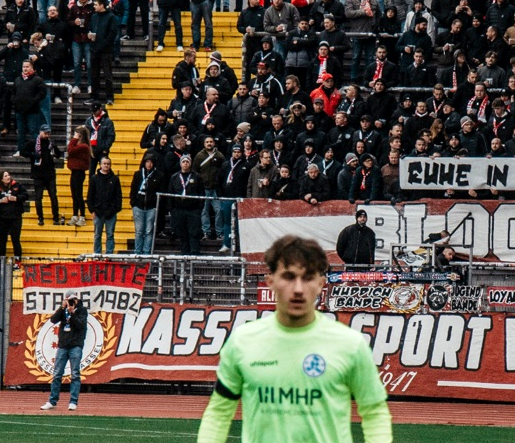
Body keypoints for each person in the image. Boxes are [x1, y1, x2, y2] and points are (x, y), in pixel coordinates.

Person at [197, 235, 391, 443]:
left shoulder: (350, 344)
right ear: (270, 281)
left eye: (307, 277)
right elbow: (218, 414)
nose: (298, 289)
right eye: (289, 277)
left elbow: (375, 412)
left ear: (320, 284)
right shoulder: (243, 342)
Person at [40, 292, 88, 411]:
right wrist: (62, 308)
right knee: (57, 374)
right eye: (68, 300)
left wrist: (72, 313)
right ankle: (52, 401)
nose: (70, 303)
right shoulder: (63, 310)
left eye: (72, 300)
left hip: (75, 345)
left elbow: (80, 325)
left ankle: (73, 401)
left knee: (75, 374)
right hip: (63, 346)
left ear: (77, 300)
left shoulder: (82, 310)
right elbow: (53, 320)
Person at [24, 124, 63, 226]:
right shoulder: (33, 143)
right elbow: (23, 151)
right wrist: (33, 155)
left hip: (50, 173)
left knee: (53, 196)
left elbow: (59, 155)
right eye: (45, 133)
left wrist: (55, 150)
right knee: (38, 197)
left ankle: (55, 217)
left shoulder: (51, 143)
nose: (47, 135)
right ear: (40, 132)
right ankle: (40, 217)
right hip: (38, 174)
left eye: (48, 133)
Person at [170, 154, 205, 255]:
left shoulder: (196, 177)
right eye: (183, 162)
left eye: (187, 162)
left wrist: (199, 208)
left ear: (190, 163)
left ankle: (195, 254)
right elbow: (170, 193)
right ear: (180, 164)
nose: (185, 164)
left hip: (193, 210)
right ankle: (184, 254)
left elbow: (201, 193)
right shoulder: (175, 177)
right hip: (179, 210)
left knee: (194, 233)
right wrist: (172, 209)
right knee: (182, 234)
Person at [87, 156, 122, 255]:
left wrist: (115, 209)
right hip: (98, 212)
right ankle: (97, 254)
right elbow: (90, 195)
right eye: (104, 163)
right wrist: (92, 210)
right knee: (97, 235)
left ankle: (109, 254)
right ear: (100, 165)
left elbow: (118, 196)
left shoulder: (115, 179)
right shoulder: (94, 178)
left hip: (111, 212)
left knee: (110, 234)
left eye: (108, 164)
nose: (106, 165)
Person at [130, 153, 162, 256]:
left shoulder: (158, 176)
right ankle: (138, 252)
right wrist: (133, 203)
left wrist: (156, 205)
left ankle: (147, 252)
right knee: (139, 231)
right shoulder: (138, 174)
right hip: (138, 206)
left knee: (149, 231)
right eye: (147, 162)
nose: (149, 164)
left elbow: (159, 191)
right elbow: (133, 189)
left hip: (151, 207)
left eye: (151, 162)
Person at [66, 126, 91, 227]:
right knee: (74, 195)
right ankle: (75, 215)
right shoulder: (80, 146)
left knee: (78, 195)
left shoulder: (83, 146)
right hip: (74, 172)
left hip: (79, 172)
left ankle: (82, 217)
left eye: (76, 134)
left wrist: (74, 138)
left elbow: (70, 150)